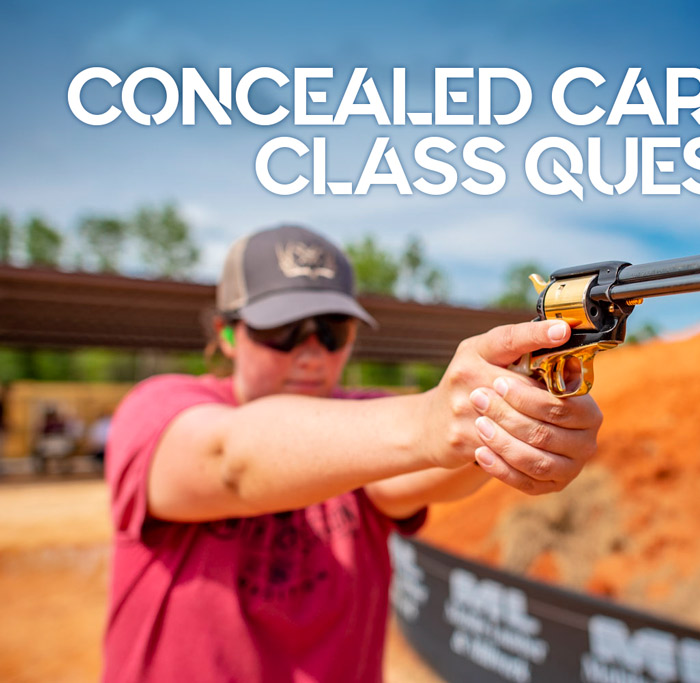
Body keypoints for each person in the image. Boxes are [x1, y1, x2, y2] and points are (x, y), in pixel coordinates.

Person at [102, 225, 602, 682]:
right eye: (283, 329)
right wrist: (432, 421)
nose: (312, 351)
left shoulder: (368, 422)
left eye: (331, 330)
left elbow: (421, 468)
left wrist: (506, 412)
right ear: (228, 334)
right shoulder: (158, 407)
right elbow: (228, 460)